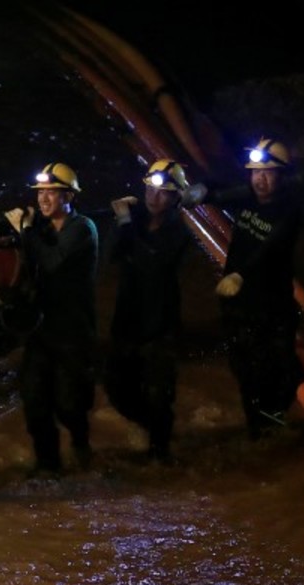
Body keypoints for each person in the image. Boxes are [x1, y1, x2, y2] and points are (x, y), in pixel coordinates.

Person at [204, 138, 304, 439]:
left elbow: (270, 247)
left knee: (282, 369)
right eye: (255, 173)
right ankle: (260, 432)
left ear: (282, 176)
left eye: (268, 173)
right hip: (238, 303)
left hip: (272, 303)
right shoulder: (248, 196)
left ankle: (272, 419)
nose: (260, 179)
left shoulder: (288, 211)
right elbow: (219, 191)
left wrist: (241, 275)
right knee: (245, 370)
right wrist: (202, 191)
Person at [105, 159, 205, 462]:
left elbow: (154, 262)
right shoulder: (134, 220)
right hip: (127, 321)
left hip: (160, 324)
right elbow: (110, 254)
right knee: (117, 391)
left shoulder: (181, 228)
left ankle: (160, 456)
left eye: (162, 192)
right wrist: (121, 222)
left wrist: (125, 223)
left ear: (176, 197)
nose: (153, 196)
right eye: (150, 189)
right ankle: (157, 430)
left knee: (160, 393)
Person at [3, 162, 99, 477]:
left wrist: (26, 231)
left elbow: (52, 261)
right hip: (42, 330)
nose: (43, 199)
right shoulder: (41, 230)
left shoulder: (82, 228)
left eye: (51, 193)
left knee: (69, 404)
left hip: (73, 331)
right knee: (34, 400)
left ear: (69, 196)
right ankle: (48, 466)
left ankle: (81, 445)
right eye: (40, 192)